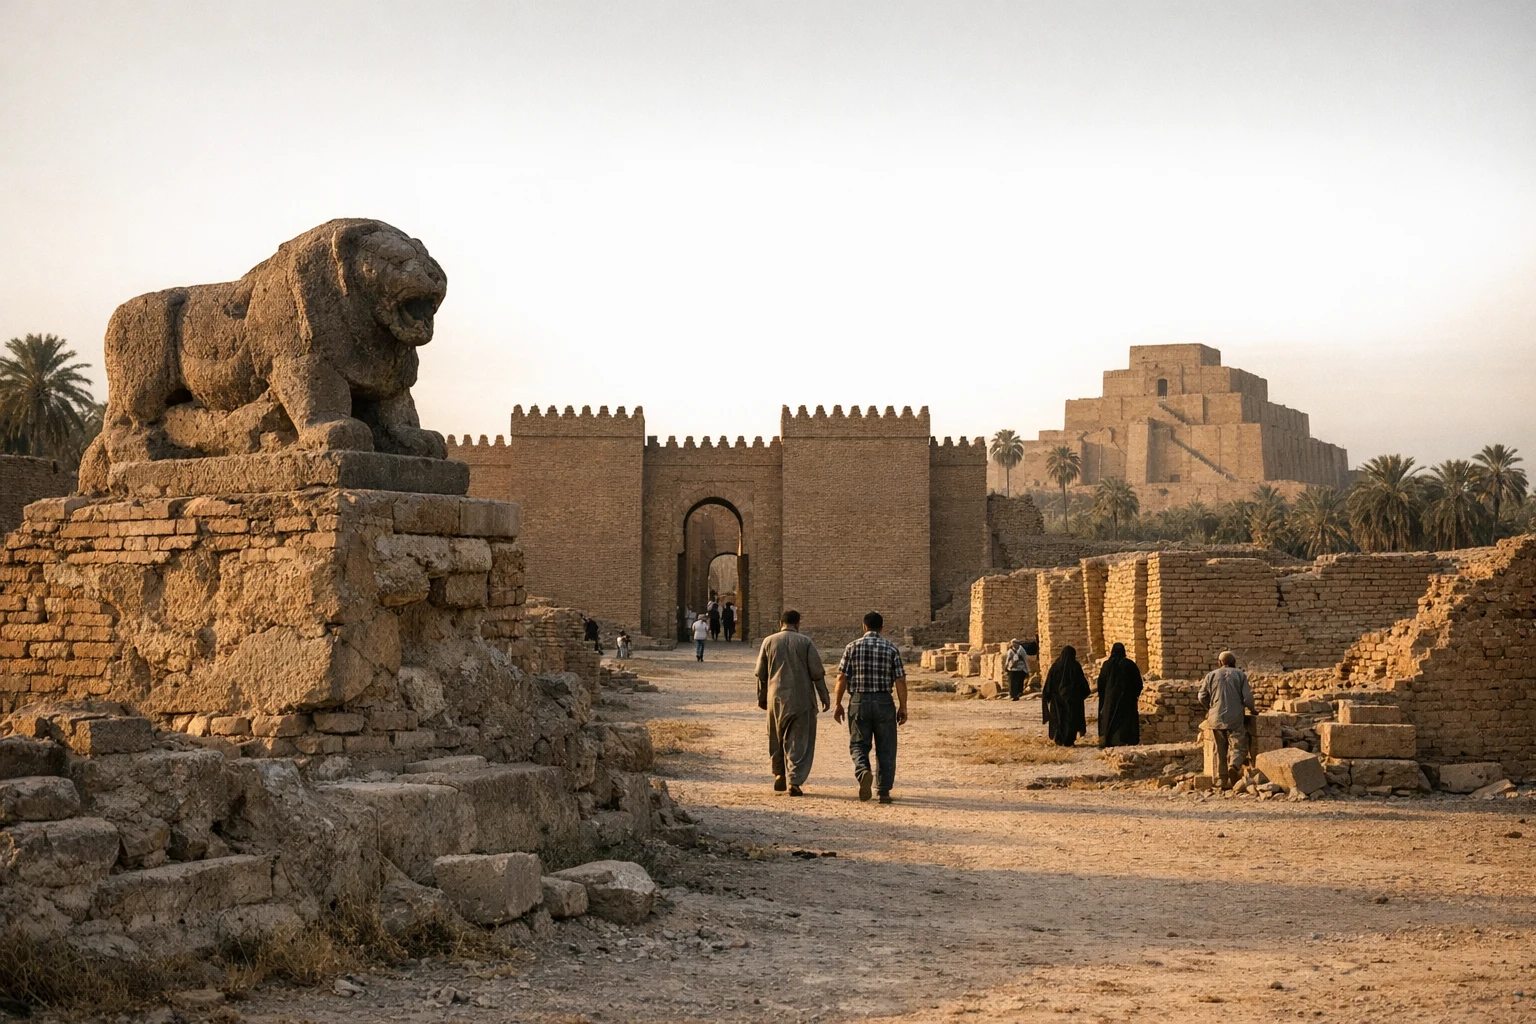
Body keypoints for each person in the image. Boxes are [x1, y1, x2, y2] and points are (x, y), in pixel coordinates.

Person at [832, 611, 907, 804]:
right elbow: (900, 680)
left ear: (864, 627)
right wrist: (903, 707)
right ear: (882, 628)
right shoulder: (891, 648)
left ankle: (863, 771)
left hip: (859, 701)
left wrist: (838, 703)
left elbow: (841, 677)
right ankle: (883, 791)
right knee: (886, 747)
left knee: (858, 743)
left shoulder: (852, 647)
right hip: (884, 702)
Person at [755, 609, 829, 796]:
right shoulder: (805, 642)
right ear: (798, 624)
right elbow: (817, 674)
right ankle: (794, 780)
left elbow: (761, 674)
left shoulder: (768, 641)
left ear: (781, 623)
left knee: (776, 736)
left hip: (776, 697)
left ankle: (778, 772)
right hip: (801, 698)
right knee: (799, 739)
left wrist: (761, 697)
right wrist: (824, 696)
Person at [1198, 650, 1255, 789]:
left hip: (1215, 717)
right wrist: (1253, 710)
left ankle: (1221, 779)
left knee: (1220, 749)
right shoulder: (1240, 675)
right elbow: (1247, 697)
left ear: (1219, 663)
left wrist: (1210, 708)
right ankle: (1234, 766)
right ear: (1234, 662)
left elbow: (1201, 696)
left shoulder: (1210, 676)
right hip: (1235, 717)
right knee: (1239, 744)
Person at [1095, 642, 1144, 747]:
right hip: (1127, 700)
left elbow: (1101, 683)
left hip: (1110, 700)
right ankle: (1125, 741)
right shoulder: (1129, 664)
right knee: (1125, 722)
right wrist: (1134, 695)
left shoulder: (1107, 665)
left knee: (1110, 720)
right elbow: (1138, 684)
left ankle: (1110, 742)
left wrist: (1105, 696)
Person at [1041, 645, 1090, 747]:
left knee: (1060, 719)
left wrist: (1049, 695)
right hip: (1073, 701)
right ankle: (1069, 740)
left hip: (1057, 701)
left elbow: (1049, 684)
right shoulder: (1075, 666)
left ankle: (1059, 739)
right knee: (1071, 720)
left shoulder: (1055, 667)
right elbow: (1083, 685)